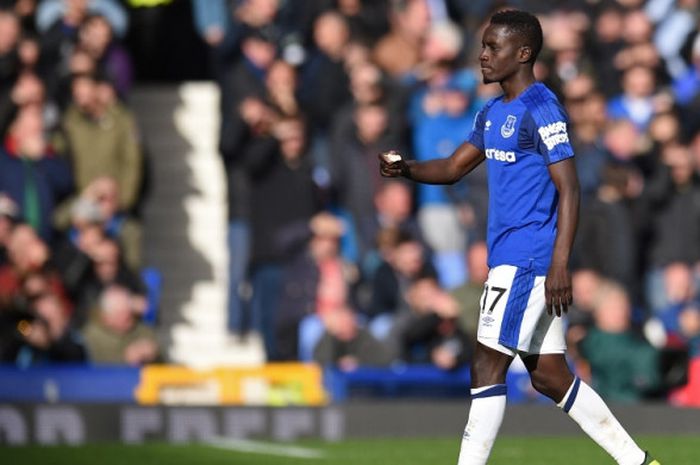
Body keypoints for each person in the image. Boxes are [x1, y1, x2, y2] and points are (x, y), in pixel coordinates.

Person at [378, 10, 660, 465]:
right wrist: (405, 168)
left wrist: (560, 264)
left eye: (493, 47)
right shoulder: (493, 111)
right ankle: (638, 462)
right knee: (550, 376)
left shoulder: (542, 108)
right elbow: (452, 168)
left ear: (523, 53)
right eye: (484, 45)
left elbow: (570, 188)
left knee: (486, 365)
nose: (483, 55)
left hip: (527, 259)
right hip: (514, 259)